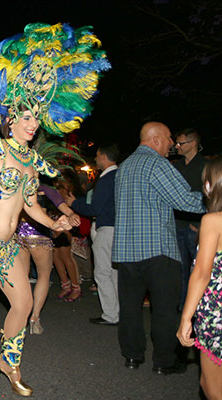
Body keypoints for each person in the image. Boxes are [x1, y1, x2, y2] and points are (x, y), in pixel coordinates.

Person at [0, 23, 109, 399]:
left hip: (9, 244)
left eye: (36, 119)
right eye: (25, 118)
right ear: (11, 119)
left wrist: (57, 222)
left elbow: (31, 207)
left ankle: (7, 363)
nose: (32, 125)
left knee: (24, 303)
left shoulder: (32, 163)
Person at [113, 121, 205, 374]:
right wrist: (214, 199)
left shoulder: (125, 166)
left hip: (127, 251)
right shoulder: (157, 164)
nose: (172, 144)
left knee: (130, 307)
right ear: (154, 139)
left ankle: (132, 355)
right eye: (168, 139)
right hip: (157, 250)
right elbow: (186, 200)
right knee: (164, 308)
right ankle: (164, 361)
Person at [177, 157, 222, 399]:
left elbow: (202, 273)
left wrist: (186, 317)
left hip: (217, 313)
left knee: (212, 386)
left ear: (209, 186)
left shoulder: (213, 221)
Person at [16, 182, 80, 334]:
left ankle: (20, 317)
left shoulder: (18, 185)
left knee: (22, 278)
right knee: (43, 276)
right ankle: (35, 318)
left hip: (19, 235)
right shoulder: (45, 188)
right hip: (40, 235)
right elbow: (61, 204)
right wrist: (71, 214)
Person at [69, 143, 119, 326]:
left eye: (98, 156)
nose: (96, 159)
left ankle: (111, 314)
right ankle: (117, 311)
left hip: (106, 228)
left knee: (103, 272)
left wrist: (75, 204)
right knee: (113, 272)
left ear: (104, 157)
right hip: (114, 228)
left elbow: (96, 208)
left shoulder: (108, 178)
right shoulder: (117, 176)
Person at [172, 128, 207, 310]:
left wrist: (200, 224)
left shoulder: (205, 166)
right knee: (180, 268)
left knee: (198, 268)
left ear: (193, 144)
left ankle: (199, 305)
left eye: (181, 143)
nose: (177, 146)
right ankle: (182, 304)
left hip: (195, 226)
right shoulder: (176, 166)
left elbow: (210, 197)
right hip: (177, 224)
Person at [52, 175, 83, 302]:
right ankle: (65, 285)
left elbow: (67, 207)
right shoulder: (52, 188)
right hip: (53, 222)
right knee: (56, 256)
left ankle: (76, 287)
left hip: (65, 224)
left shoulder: (64, 188)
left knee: (65, 256)